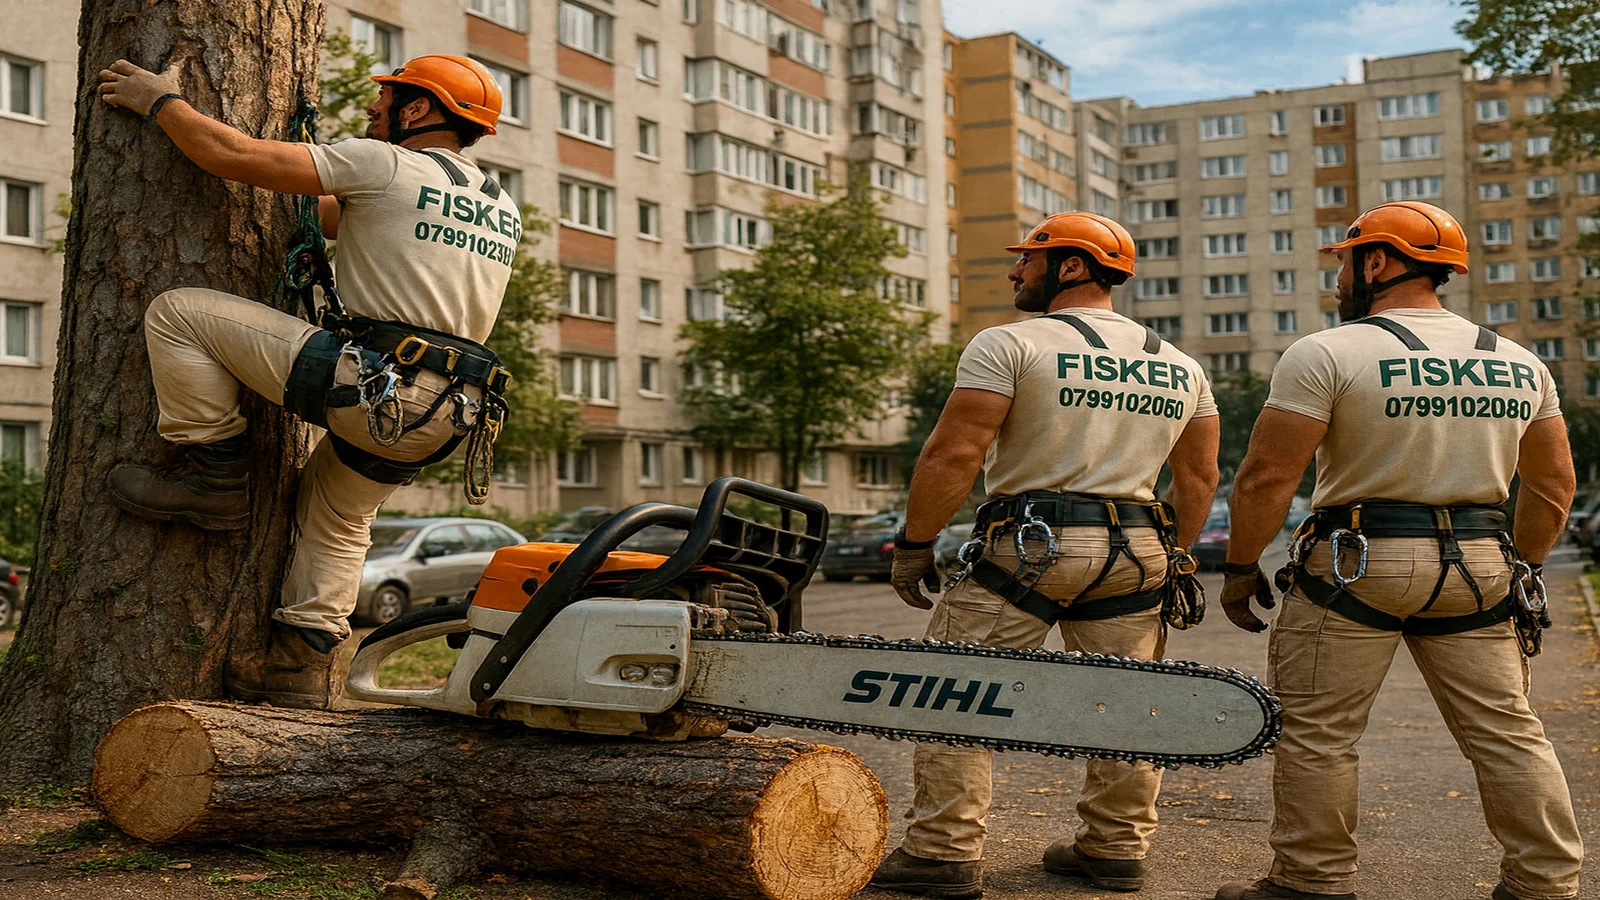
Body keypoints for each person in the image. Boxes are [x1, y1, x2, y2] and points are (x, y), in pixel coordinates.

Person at [96, 55, 518, 709]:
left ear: (418, 111)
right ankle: (299, 667)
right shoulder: (499, 208)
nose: (374, 112)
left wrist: (160, 102)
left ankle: (214, 476)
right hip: (449, 414)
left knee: (178, 314)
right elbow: (329, 219)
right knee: (341, 515)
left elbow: (230, 154)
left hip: (377, 384)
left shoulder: (386, 166)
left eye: (386, 101)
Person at [1214, 201, 1583, 900]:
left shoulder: (1327, 352)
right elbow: (1554, 487)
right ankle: (1544, 881)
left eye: (1347, 263)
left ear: (1378, 262)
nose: (1340, 280)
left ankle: (1312, 881)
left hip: (1357, 562)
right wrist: (1524, 570)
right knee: (1508, 731)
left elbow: (1266, 475)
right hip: (1478, 566)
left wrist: (1238, 569)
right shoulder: (1518, 364)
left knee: (1320, 731)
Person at [870, 212, 1220, 898]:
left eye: (1027, 260)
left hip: (1030, 544)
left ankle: (942, 852)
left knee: (954, 694)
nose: (1013, 271)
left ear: (1071, 266)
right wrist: (1174, 557)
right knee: (1124, 702)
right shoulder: (1181, 367)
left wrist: (914, 546)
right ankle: (1115, 848)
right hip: (1138, 546)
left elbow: (955, 451)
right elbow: (1201, 478)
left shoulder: (1008, 345)